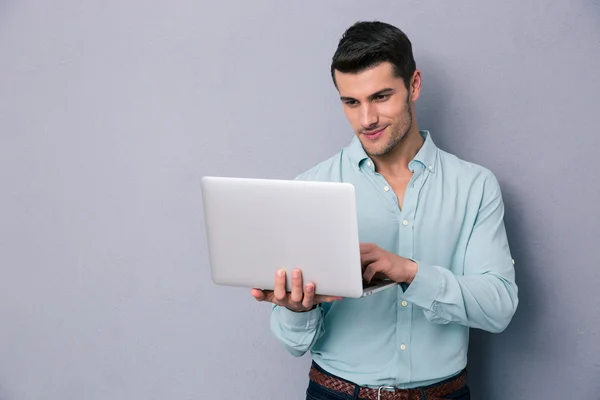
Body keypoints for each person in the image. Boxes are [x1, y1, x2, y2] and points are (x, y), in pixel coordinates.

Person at [251, 20, 518, 400]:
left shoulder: (475, 186)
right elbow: (294, 344)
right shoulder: (311, 188)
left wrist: (409, 272)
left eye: (380, 97)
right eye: (351, 102)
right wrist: (297, 309)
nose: (366, 120)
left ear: (414, 85)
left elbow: (499, 307)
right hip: (335, 394)